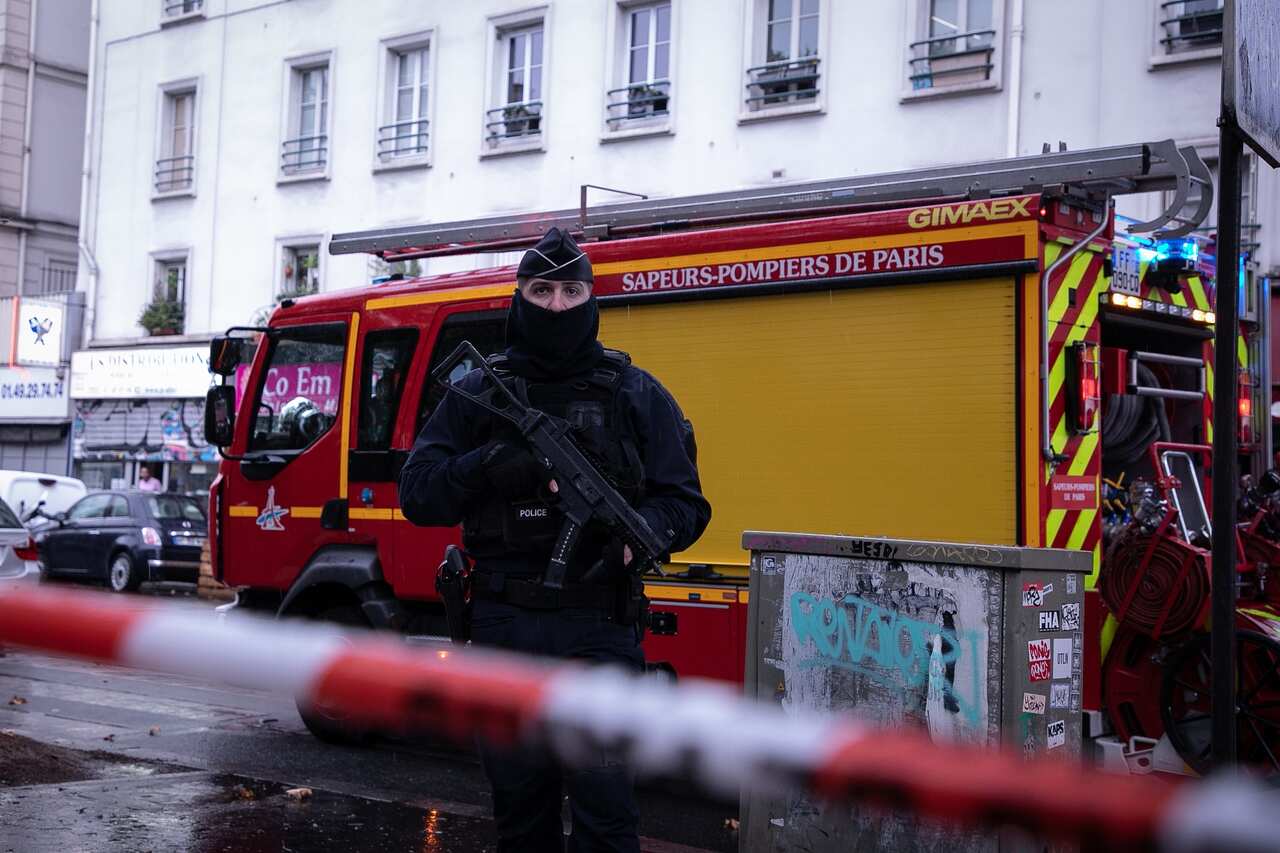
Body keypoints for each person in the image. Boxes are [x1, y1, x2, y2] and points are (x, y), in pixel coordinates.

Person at [399, 227, 711, 853]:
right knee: (521, 813)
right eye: (541, 291)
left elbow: (686, 501)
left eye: (572, 291)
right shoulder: (478, 393)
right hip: (502, 624)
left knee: (607, 817)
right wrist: (486, 464)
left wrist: (640, 534)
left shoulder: (634, 392)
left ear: (591, 298)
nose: (557, 307)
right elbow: (419, 493)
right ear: (518, 297)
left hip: (598, 623)